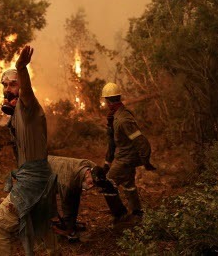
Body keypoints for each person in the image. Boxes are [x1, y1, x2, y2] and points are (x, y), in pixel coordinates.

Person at [0, 46, 59, 256]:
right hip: (35, 180)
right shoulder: (16, 114)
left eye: (13, 84)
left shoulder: (29, 107)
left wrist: (21, 68)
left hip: (34, 183)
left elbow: (26, 92)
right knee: (39, 233)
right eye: (5, 85)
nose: (8, 89)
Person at [101, 82, 156, 221]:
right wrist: (108, 161)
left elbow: (140, 140)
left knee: (108, 184)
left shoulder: (123, 119)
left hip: (125, 159)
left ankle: (120, 215)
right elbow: (112, 141)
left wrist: (145, 160)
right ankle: (137, 213)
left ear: (107, 100)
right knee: (128, 184)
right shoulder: (115, 116)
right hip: (123, 157)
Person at [47, 155, 127, 240]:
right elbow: (66, 203)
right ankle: (63, 227)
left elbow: (106, 182)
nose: (91, 186)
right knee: (66, 201)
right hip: (46, 169)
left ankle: (70, 223)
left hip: (64, 169)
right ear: (88, 173)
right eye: (91, 182)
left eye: (94, 185)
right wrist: (69, 227)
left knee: (74, 195)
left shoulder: (92, 167)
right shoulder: (67, 181)